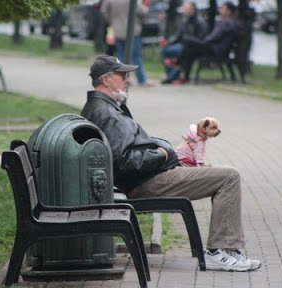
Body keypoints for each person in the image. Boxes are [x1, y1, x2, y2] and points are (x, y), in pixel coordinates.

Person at [81, 54, 261, 272]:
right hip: (148, 182)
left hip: (150, 177)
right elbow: (125, 163)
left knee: (224, 175)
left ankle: (228, 249)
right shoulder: (105, 113)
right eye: (123, 75)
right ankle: (218, 252)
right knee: (229, 176)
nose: (128, 80)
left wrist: (162, 149)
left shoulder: (104, 108)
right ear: (106, 79)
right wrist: (162, 155)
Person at [178, 1, 243, 83]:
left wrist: (205, 41)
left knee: (188, 40)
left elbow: (216, 36)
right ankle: (182, 70)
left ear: (228, 11)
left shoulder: (227, 23)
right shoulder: (233, 22)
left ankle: (179, 65)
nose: (220, 10)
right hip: (220, 49)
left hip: (216, 49)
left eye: (222, 8)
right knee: (191, 50)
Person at [101, 0, 154, 87]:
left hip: (117, 29)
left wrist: (112, 20)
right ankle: (142, 79)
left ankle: (121, 79)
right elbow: (142, 12)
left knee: (120, 55)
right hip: (133, 30)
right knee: (136, 56)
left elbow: (103, 11)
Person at [160, 1, 208, 84]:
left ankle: (173, 75)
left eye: (185, 8)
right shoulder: (185, 20)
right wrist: (168, 42)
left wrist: (187, 39)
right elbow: (178, 36)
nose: (183, 10)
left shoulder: (200, 22)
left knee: (182, 51)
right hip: (183, 45)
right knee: (164, 50)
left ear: (192, 10)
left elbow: (201, 39)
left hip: (192, 47)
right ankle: (172, 75)